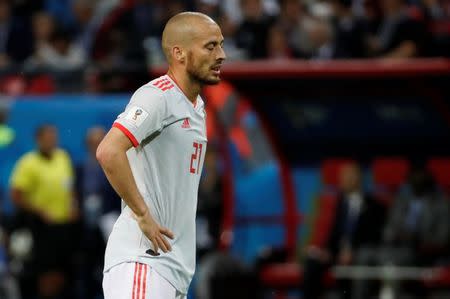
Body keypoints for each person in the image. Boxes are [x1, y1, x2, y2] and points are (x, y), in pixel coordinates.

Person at [97, 11, 226, 299]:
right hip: (143, 260)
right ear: (179, 53)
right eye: (211, 46)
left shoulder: (196, 107)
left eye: (220, 44)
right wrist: (143, 214)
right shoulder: (158, 96)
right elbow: (109, 150)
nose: (222, 55)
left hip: (172, 270)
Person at [9, 124, 79, 299]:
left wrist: (73, 205)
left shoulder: (63, 157)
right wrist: (39, 211)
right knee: (46, 271)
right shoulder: (28, 163)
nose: (52, 141)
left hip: (63, 225)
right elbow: (16, 195)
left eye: (53, 137)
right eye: (48, 138)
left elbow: (69, 186)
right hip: (41, 227)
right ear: (38, 140)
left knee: (64, 269)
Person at [302, 162, 386, 299]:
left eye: (348, 176)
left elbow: (374, 236)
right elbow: (334, 232)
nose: (343, 180)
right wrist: (327, 250)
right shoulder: (340, 203)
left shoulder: (374, 206)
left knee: (357, 265)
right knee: (312, 264)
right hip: (337, 253)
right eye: (342, 176)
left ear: (358, 178)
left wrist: (352, 250)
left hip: (359, 253)